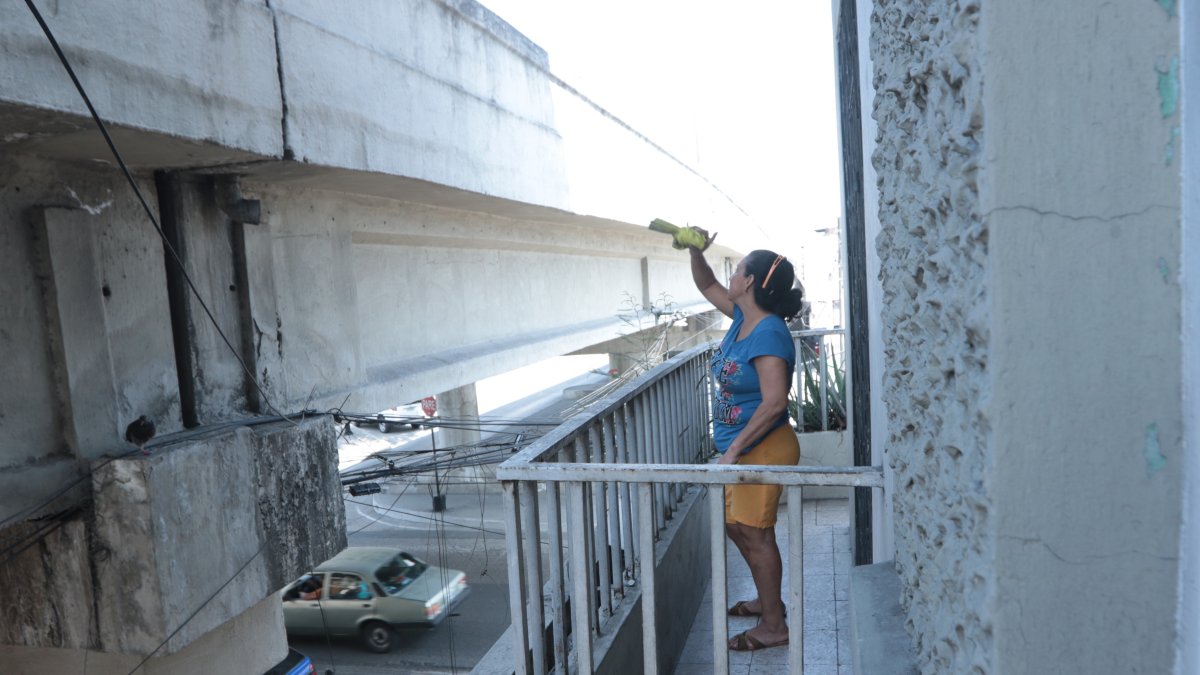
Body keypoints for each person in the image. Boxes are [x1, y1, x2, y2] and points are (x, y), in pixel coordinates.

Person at [687, 231, 805, 652]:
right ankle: (765, 600)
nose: (731, 275)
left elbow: (774, 403)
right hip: (741, 449)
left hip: (764, 447)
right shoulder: (743, 318)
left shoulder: (769, 332)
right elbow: (705, 284)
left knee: (756, 534)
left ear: (751, 281)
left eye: (736, 270)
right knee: (738, 527)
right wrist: (694, 250)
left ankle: (774, 625)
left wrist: (734, 451)